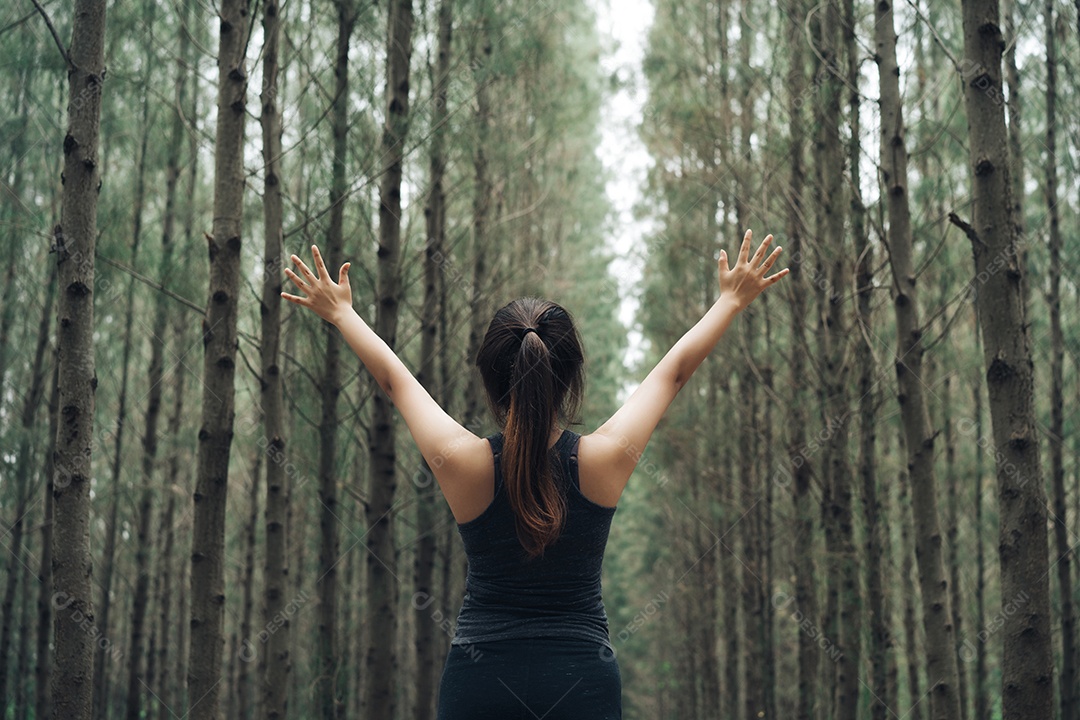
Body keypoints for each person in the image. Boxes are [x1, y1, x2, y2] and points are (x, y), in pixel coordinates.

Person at [282, 229, 788, 719]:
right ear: (569, 377)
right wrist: (729, 302)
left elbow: (396, 382)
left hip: (478, 684)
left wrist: (342, 312)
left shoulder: (463, 463)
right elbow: (673, 373)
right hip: (580, 685)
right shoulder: (602, 459)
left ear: (490, 378)